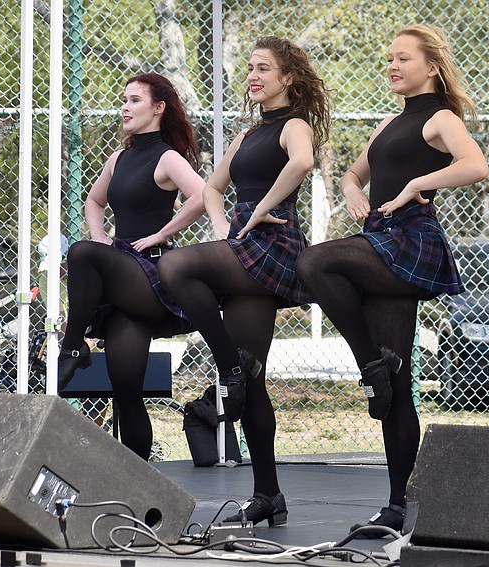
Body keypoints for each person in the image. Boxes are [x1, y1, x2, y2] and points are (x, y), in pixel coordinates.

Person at [295, 25, 489, 537]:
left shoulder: (441, 118)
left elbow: (476, 165)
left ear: (431, 67)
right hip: (378, 236)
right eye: (390, 59)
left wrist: (417, 183)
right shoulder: (387, 123)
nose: (393, 66)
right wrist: (352, 191)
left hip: (411, 239)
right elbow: (351, 175)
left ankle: (369, 364)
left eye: (404, 58)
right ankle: (399, 506)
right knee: (397, 390)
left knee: (314, 262)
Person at [158, 36, 331, 527]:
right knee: (253, 383)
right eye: (251, 68)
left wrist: (259, 209)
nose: (253, 76)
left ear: (288, 78)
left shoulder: (295, 125)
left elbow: (302, 163)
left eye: (264, 68)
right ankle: (268, 495)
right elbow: (213, 188)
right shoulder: (247, 134)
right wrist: (221, 227)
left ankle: (228, 365)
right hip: (240, 243)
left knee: (176, 266)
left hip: (273, 243)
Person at [57, 73, 205, 460]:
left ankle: (72, 348)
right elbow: (94, 201)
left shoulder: (167, 158)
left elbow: (204, 196)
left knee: (81, 253)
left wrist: (163, 233)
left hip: (150, 276)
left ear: (158, 108)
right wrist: (100, 235)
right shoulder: (118, 159)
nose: (125, 107)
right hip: (122, 272)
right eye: (124, 100)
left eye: (135, 100)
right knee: (126, 389)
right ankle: (139, 479)